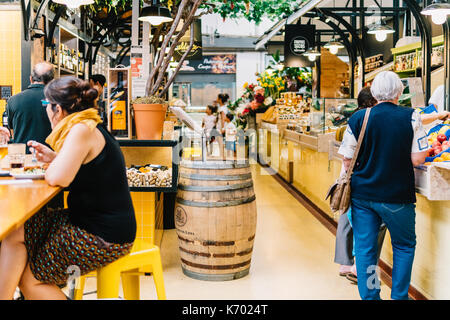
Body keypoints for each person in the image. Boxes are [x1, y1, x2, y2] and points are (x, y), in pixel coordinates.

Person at [0, 77, 136, 300]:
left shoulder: (81, 130)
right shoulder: (88, 124)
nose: (46, 112)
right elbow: (82, 169)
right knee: (16, 232)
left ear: (58, 109)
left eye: (46, 106)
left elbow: (57, 178)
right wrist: (55, 157)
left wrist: (53, 162)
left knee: (30, 280)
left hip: (103, 234)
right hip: (87, 220)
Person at [338, 71, 428, 300]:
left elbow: (347, 160)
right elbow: (418, 159)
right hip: (398, 196)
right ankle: (399, 296)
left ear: (375, 92)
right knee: (404, 247)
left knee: (366, 251)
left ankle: (371, 295)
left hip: (363, 197)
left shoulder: (359, 118)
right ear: (400, 91)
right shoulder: (412, 116)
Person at [334, 87, 387, 285]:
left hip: (352, 182)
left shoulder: (356, 118)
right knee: (370, 228)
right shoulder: (369, 120)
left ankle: (347, 264)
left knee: (349, 221)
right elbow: (349, 158)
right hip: (364, 183)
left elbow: (346, 157)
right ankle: (360, 270)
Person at [6, 62, 54, 153]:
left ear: (31, 79)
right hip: (49, 157)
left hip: (21, 158)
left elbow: (12, 131)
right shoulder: (58, 100)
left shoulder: (13, 100)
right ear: (52, 81)